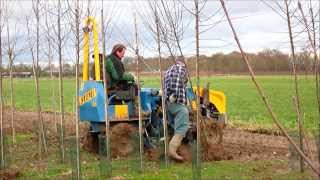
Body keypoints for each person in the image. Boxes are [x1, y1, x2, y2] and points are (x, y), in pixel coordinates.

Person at [164, 56, 189, 161]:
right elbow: (178, 83)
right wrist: (175, 96)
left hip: (167, 103)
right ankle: (172, 151)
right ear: (184, 62)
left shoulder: (169, 69)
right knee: (183, 120)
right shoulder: (181, 69)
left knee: (173, 125)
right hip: (175, 102)